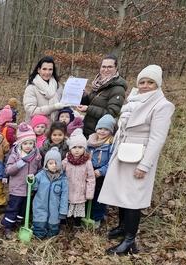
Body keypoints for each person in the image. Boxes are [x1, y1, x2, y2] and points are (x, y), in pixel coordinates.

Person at [99, 65, 175, 255]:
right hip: (123, 151)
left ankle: (130, 241)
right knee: (121, 193)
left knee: (133, 198)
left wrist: (145, 165)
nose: (145, 86)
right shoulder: (133, 100)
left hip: (139, 156)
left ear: (157, 84)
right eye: (142, 82)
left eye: (150, 82)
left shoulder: (162, 106)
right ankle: (123, 227)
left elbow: (157, 138)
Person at [1, 123, 42, 239]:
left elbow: (39, 169)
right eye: (25, 143)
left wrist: (35, 177)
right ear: (20, 144)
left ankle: (18, 224)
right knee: (13, 207)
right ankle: (7, 226)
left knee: (24, 209)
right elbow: (8, 170)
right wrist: (19, 164)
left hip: (29, 188)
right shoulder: (15, 155)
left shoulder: (37, 155)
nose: (28, 146)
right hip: (17, 188)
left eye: (30, 143)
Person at [76, 54, 127, 138]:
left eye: (110, 67)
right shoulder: (98, 84)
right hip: (88, 128)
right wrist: (84, 96)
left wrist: (88, 109)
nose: (106, 70)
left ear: (116, 68)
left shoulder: (118, 89)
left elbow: (111, 114)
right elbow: (92, 102)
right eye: (103, 67)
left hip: (101, 132)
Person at [32, 147, 69, 238]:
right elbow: (34, 187)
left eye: (56, 163)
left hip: (55, 209)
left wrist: (63, 211)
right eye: (51, 163)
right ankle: (39, 236)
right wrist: (32, 181)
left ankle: (51, 236)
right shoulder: (40, 175)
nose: (54, 165)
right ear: (46, 164)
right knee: (39, 224)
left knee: (53, 227)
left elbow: (64, 196)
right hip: (40, 206)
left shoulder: (63, 179)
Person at [62, 129, 95, 228]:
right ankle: (67, 224)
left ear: (84, 149)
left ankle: (77, 224)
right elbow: (60, 172)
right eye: (74, 147)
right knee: (67, 208)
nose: (77, 150)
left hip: (80, 191)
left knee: (78, 210)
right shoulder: (66, 161)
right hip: (68, 190)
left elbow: (91, 178)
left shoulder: (87, 162)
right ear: (70, 149)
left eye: (80, 147)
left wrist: (89, 192)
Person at [87, 114, 115, 227]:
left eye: (106, 129)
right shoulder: (91, 141)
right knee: (88, 194)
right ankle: (87, 214)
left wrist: (101, 171)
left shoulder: (110, 144)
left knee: (99, 197)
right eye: (100, 128)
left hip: (101, 174)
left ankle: (97, 218)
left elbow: (112, 162)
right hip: (90, 171)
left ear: (111, 131)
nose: (102, 131)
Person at [23, 56, 66, 121]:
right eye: (44, 69)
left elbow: (65, 104)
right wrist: (53, 107)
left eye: (50, 69)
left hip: (55, 127)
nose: (47, 72)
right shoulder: (31, 87)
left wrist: (72, 90)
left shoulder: (58, 86)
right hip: (36, 128)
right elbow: (31, 110)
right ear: (39, 70)